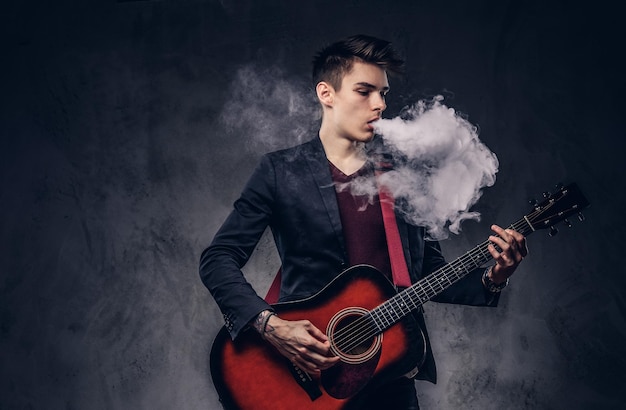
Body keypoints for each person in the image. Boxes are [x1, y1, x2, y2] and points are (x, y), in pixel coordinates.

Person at [199, 34, 528, 409]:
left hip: (389, 376)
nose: (380, 105)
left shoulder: (403, 179)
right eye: (364, 91)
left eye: (383, 93)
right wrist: (271, 326)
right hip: (306, 374)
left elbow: (425, 275)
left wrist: (493, 278)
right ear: (327, 94)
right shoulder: (279, 171)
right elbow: (217, 259)